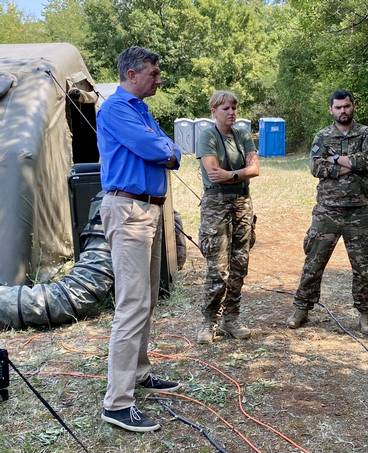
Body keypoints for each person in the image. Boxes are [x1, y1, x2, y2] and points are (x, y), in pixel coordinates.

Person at [97, 46, 182, 432]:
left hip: (148, 210)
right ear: (132, 74)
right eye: (152, 72)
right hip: (128, 210)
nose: (158, 78)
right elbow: (155, 148)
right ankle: (116, 403)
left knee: (146, 299)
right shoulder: (116, 109)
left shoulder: (142, 111)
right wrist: (164, 150)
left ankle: (139, 372)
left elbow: (173, 150)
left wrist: (166, 150)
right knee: (132, 304)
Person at [287, 89, 368, 335]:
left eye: (346, 106)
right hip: (327, 210)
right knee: (313, 262)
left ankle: (366, 314)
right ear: (331, 110)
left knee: (364, 264)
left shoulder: (366, 133)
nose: (343, 111)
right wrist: (350, 165)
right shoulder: (323, 135)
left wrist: (336, 159)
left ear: (353, 106)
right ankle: (301, 308)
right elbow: (316, 166)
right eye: (338, 107)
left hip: (358, 210)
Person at [195, 90, 259, 344]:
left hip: (242, 203)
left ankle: (231, 318)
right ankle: (208, 321)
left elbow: (255, 169)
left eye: (234, 108)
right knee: (217, 267)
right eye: (226, 109)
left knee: (239, 263)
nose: (232, 112)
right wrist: (242, 172)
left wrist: (233, 174)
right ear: (214, 111)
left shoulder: (243, 135)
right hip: (216, 204)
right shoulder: (208, 136)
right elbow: (213, 173)